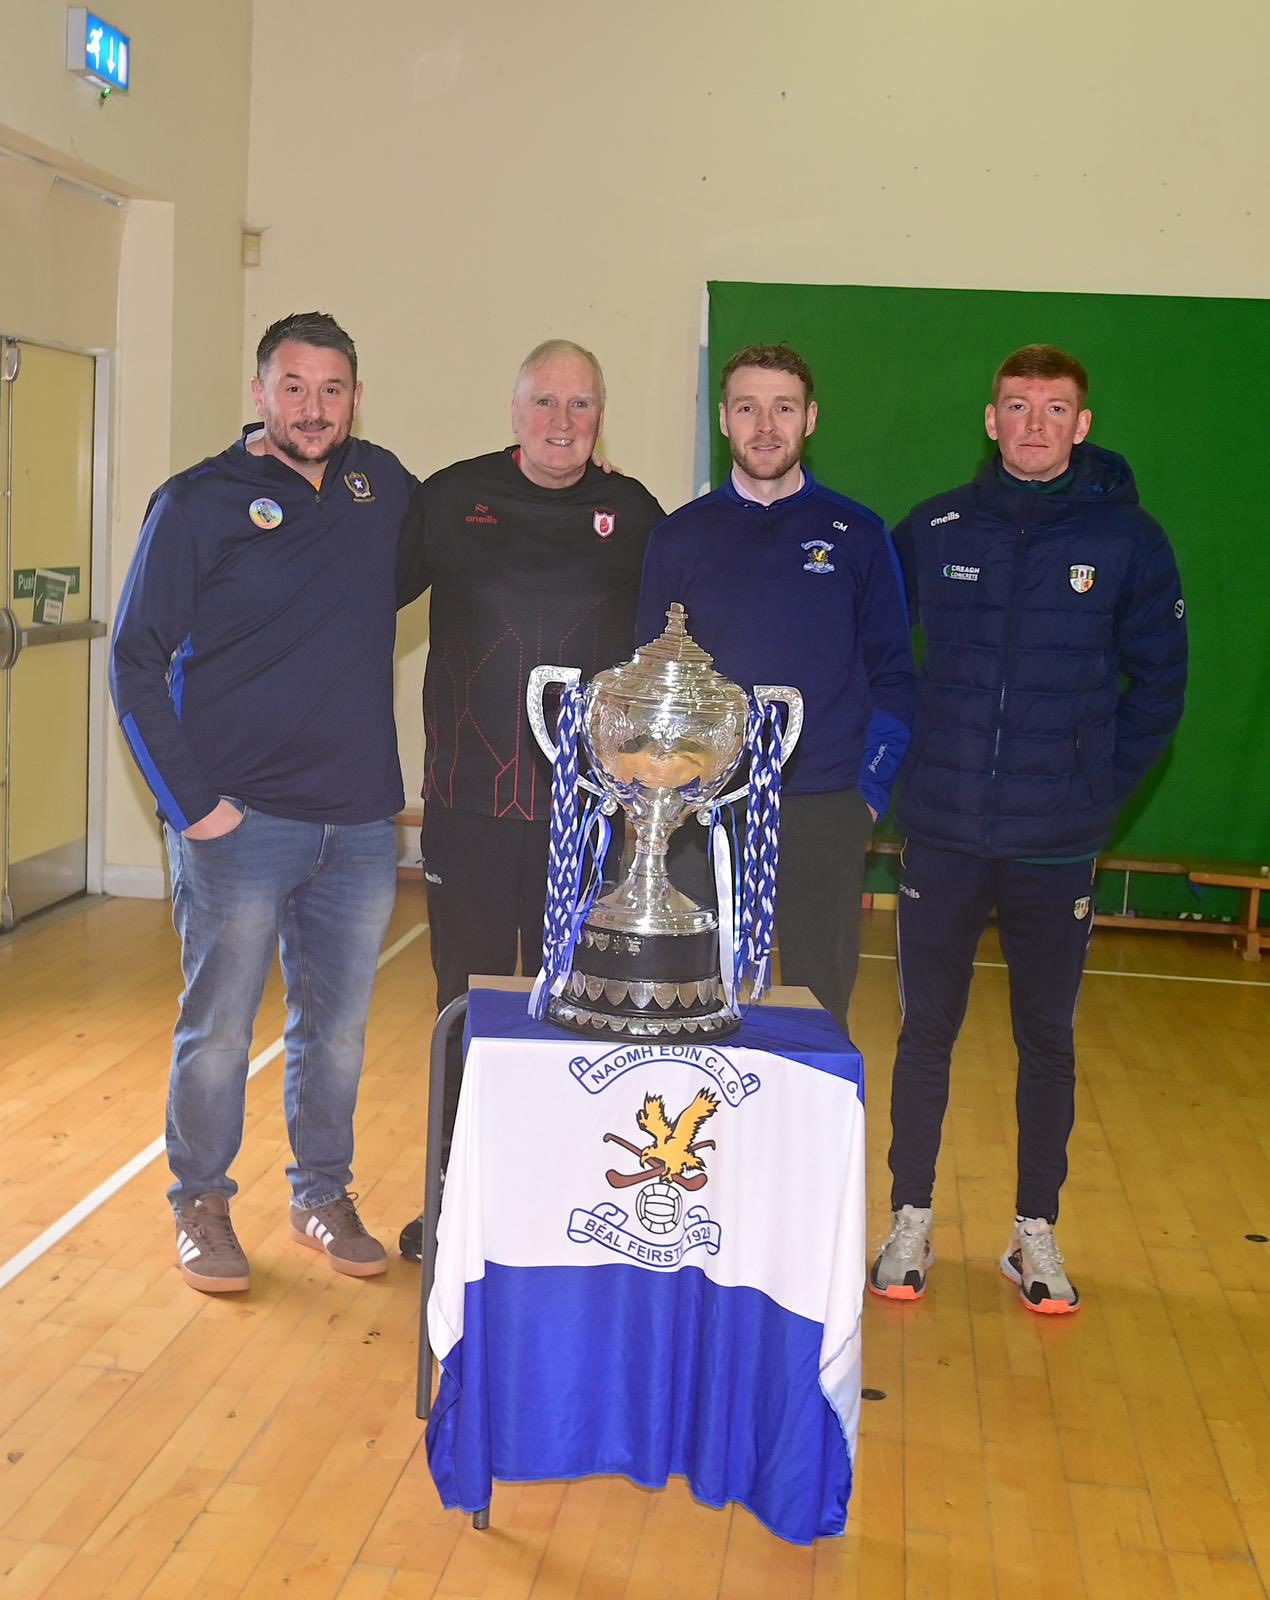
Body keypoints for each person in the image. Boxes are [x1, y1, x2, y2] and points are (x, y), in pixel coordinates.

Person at [870, 343, 1187, 1314]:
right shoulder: (934, 527)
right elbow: (872, 647)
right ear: (990, 418)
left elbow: (1160, 686)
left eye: (1054, 409)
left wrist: (1094, 797)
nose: (1035, 424)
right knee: (925, 1031)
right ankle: (908, 1218)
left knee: (1046, 1039)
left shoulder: (1129, 541)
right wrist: (902, 776)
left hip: (1056, 844)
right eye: (1016, 406)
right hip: (946, 834)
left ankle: (1032, 1232)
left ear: (1081, 425)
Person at [111, 311, 413, 1293]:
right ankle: (200, 1201)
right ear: (260, 393)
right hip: (238, 825)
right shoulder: (197, 502)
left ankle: (321, 1192)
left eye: (332, 389)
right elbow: (134, 660)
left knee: (335, 1028)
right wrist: (193, 807)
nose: (313, 408)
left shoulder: (383, 489)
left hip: (362, 826)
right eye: (294, 387)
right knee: (221, 1028)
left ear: (356, 397)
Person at [395, 339, 664, 1258]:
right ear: (514, 412)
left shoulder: (632, 512)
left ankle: (562, 1197)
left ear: (601, 417)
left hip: (588, 817)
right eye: (545, 403)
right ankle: (454, 1197)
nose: (562, 422)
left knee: (578, 1010)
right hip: (468, 808)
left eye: (581, 405)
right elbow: (350, 591)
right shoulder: (446, 499)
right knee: (463, 1005)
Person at [635, 343, 915, 1034]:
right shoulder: (678, 537)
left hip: (823, 808)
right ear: (726, 421)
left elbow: (895, 678)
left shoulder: (859, 535)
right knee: (692, 1001)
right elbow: (649, 681)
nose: (766, 425)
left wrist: (867, 797)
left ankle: (808, 1142)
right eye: (749, 408)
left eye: (783, 408)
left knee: (820, 1010)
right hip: (704, 810)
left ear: (810, 419)